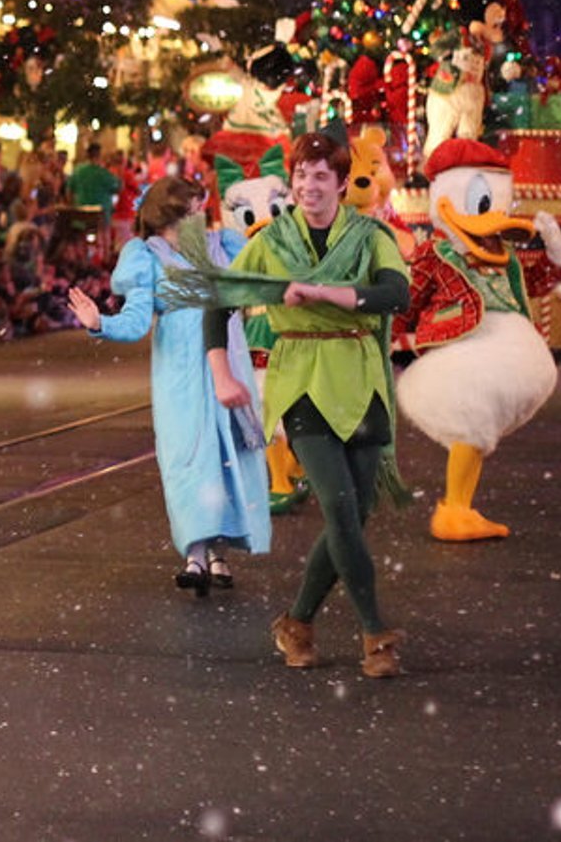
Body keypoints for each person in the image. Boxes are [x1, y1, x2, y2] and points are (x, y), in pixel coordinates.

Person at [194, 131, 412, 679]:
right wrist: (221, 372)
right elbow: (220, 302)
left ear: (342, 183)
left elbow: (395, 293)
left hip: (362, 379)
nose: (309, 185)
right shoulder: (271, 243)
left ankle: (297, 621)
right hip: (303, 382)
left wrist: (324, 293)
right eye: (301, 175)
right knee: (338, 508)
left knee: (355, 516)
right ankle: (374, 633)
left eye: (320, 176)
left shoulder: (368, 235)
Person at [68, 176, 269, 596]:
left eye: (201, 208)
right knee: (189, 460)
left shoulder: (223, 247)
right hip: (181, 377)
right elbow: (137, 321)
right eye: (194, 209)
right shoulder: (148, 258)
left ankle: (218, 551)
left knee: (228, 457)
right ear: (170, 216)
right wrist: (100, 324)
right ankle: (195, 553)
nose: (203, 215)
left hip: (227, 367)